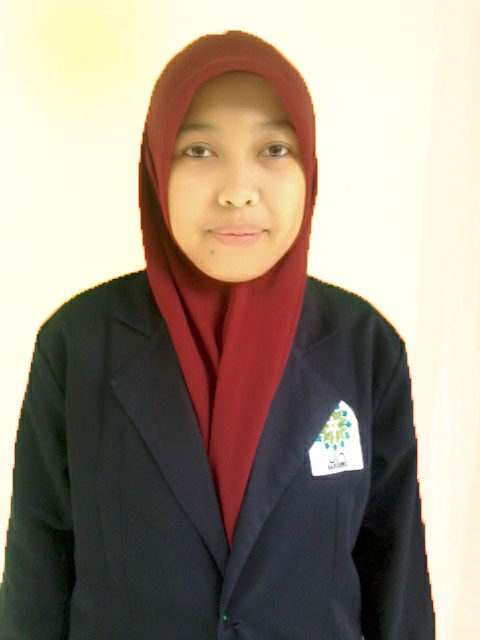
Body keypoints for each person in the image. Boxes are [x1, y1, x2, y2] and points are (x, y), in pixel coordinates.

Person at [0, 30, 435, 639]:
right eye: (199, 150)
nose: (237, 191)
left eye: (274, 149)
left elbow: (397, 576)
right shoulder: (76, 346)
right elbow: (37, 579)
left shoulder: (365, 349)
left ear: (310, 167)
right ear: (156, 164)